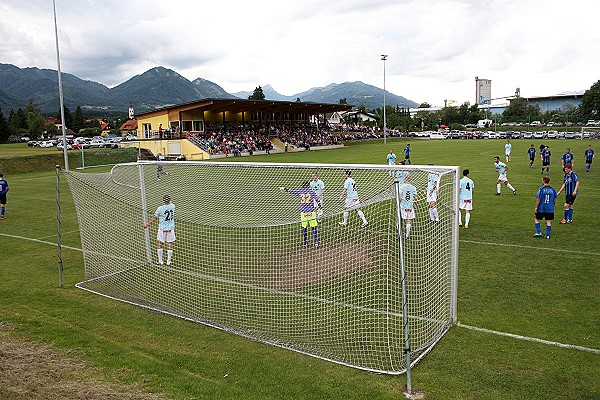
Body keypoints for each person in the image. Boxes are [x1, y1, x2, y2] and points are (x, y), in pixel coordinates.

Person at [280, 181, 319, 247]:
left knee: (304, 227)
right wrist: (320, 207)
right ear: (308, 186)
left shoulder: (300, 191)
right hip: (311, 212)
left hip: (303, 212)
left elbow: (291, 191)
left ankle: (306, 242)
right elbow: (317, 199)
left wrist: (284, 188)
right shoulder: (312, 192)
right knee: (314, 227)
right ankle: (316, 242)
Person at [143, 195, 176, 265]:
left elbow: (154, 218)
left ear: (163, 201)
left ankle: (160, 261)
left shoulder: (160, 208)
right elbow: (170, 203)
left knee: (159, 243)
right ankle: (168, 262)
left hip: (162, 229)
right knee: (169, 244)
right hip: (170, 228)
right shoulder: (173, 206)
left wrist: (147, 224)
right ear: (169, 200)